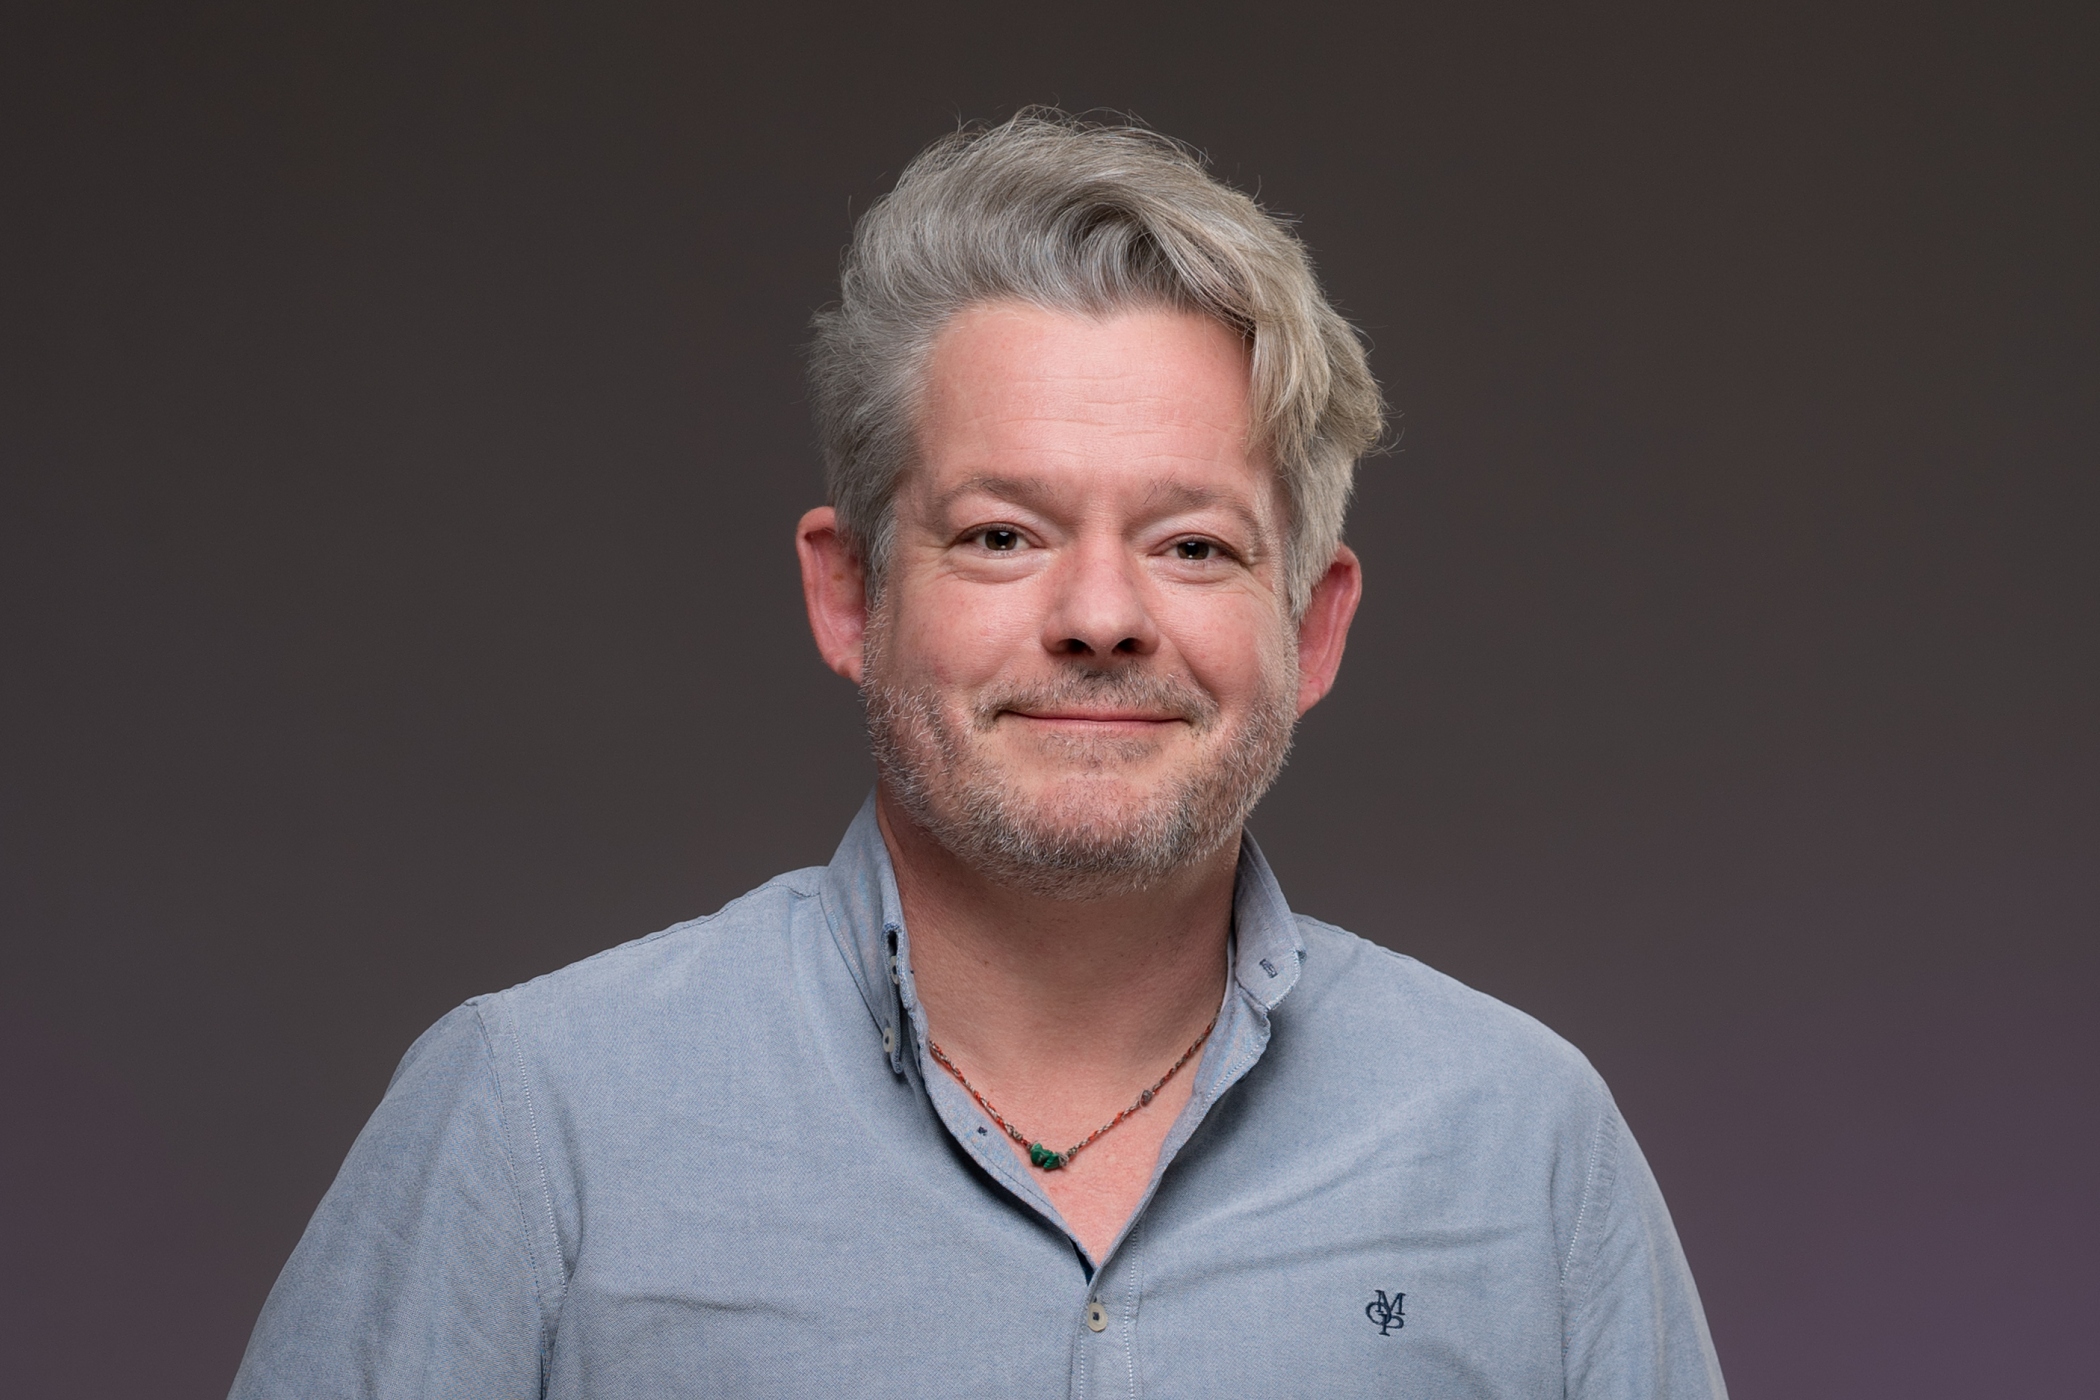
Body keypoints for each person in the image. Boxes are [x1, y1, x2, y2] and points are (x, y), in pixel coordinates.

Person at [230, 112, 1726, 1398]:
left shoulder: (1520, 1148)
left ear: (1313, 628)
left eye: (1194, 545)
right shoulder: (535, 1119)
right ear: (851, 595)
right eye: (1004, 536)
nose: (1100, 616)